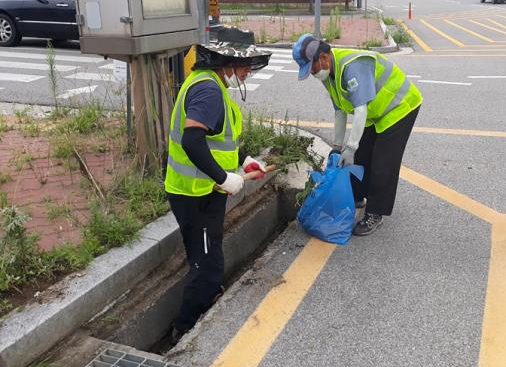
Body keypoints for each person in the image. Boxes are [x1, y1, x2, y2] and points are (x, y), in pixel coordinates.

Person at [164, 42, 272, 342]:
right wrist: (223, 178)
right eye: (245, 64)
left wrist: (243, 159)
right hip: (195, 193)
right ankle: (185, 329)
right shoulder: (210, 91)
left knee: (208, 250)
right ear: (225, 62)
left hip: (205, 190)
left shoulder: (210, 84)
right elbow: (192, 140)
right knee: (207, 263)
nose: (249, 71)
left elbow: (215, 141)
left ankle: (205, 298)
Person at [293, 34, 422, 236]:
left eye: (313, 68)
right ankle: (358, 196)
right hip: (376, 113)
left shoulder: (352, 66)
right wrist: (337, 147)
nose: (313, 74)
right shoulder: (329, 74)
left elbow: (360, 110)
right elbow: (340, 111)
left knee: (383, 162)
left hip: (399, 107)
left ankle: (376, 212)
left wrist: (350, 147)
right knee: (362, 156)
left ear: (325, 57)